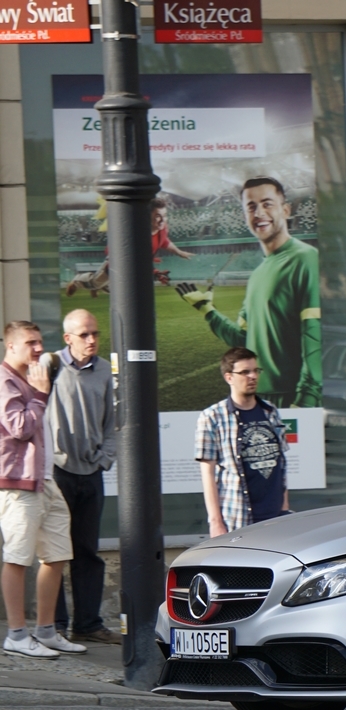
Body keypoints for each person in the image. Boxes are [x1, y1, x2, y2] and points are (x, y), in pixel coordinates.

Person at [177, 177, 322, 408]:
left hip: (290, 396)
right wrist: (208, 310)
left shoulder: (306, 258)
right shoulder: (257, 274)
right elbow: (244, 340)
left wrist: (305, 403)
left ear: (285, 210)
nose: (259, 213)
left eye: (267, 204)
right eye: (251, 207)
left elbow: (316, 337)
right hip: (259, 396)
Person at [0, 321, 85, 658]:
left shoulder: (31, 378)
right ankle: (16, 635)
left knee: (58, 554)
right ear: (11, 347)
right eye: (30, 343)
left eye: (40, 342)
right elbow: (19, 428)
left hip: (45, 480)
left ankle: (46, 630)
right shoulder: (6, 380)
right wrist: (39, 395)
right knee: (17, 558)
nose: (38, 349)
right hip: (18, 485)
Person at [45, 309, 119, 644]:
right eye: (84, 334)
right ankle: (56, 623)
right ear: (68, 338)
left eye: (95, 334)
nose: (91, 340)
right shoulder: (51, 366)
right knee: (56, 551)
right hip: (57, 472)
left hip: (91, 474)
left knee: (88, 550)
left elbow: (114, 422)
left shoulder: (105, 370)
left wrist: (104, 459)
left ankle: (87, 624)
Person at [195, 347, 290, 537]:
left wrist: (285, 509)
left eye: (255, 370)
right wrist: (215, 522)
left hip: (275, 518)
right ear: (229, 377)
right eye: (245, 372)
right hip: (237, 519)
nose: (253, 376)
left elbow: (280, 464)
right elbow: (208, 474)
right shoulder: (212, 417)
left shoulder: (269, 411)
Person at [66, 196, 193, 297]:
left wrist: (179, 252)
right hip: (118, 263)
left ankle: (98, 288)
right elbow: (131, 258)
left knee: (124, 291)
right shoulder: (136, 234)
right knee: (95, 283)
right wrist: (154, 271)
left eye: (164, 216)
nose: (162, 220)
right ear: (148, 216)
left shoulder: (163, 229)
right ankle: (76, 282)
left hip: (134, 267)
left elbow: (164, 242)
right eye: (157, 216)